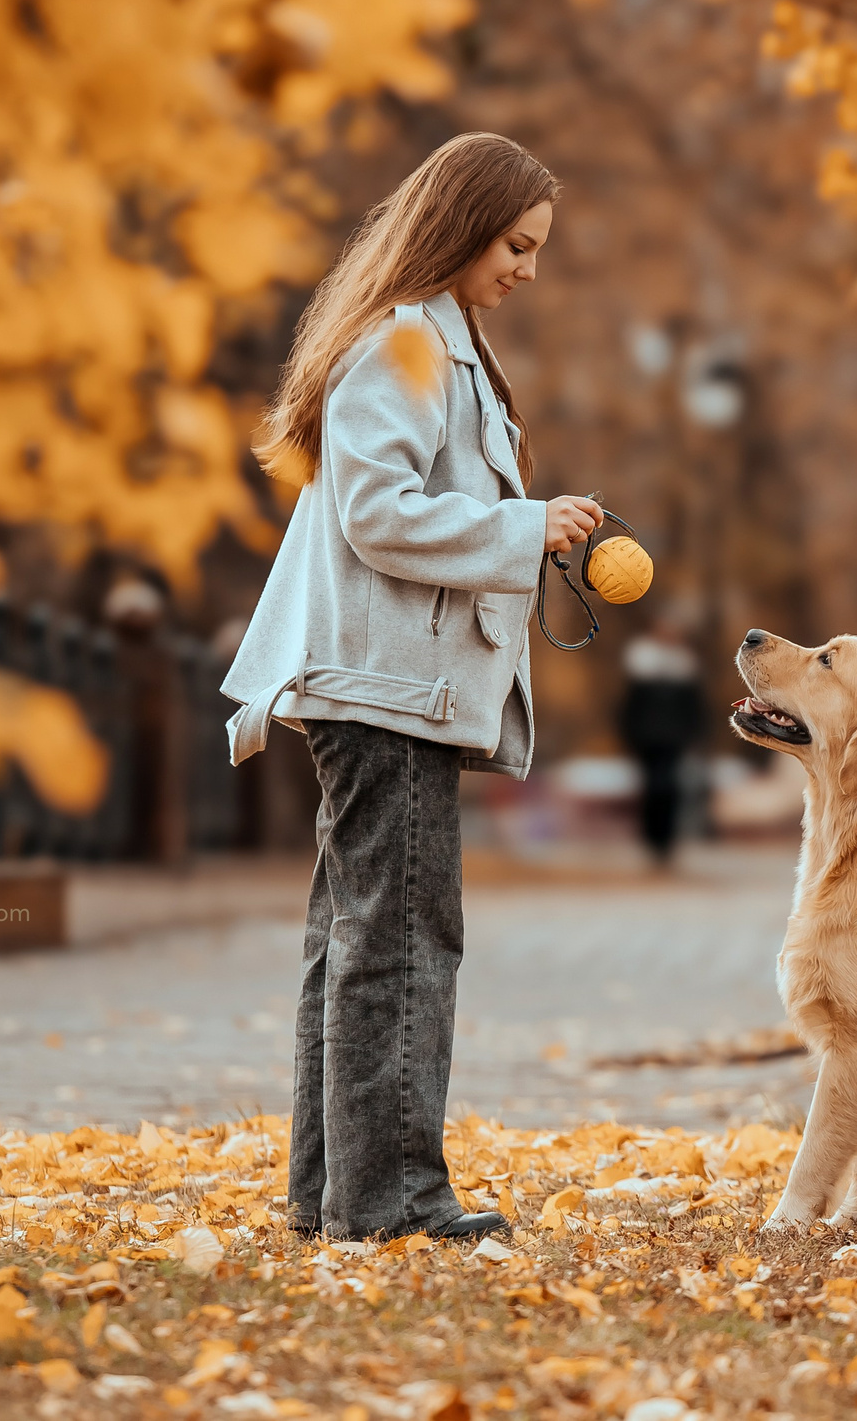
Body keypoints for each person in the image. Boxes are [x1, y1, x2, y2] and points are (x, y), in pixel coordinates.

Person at [218, 134, 600, 1243]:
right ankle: (388, 1203)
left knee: (354, 937)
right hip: (388, 693)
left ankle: (331, 1192)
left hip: (385, 687)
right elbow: (376, 514)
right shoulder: (406, 348)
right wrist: (527, 527)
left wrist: (524, 531)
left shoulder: (437, 344)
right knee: (401, 940)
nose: (527, 269)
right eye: (516, 245)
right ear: (463, 226)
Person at [618, 616, 704, 865]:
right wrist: (630, 734)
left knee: (669, 787)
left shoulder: (684, 666)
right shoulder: (641, 664)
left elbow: (693, 707)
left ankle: (665, 841)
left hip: (673, 738)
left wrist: (692, 733)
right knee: (652, 787)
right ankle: (653, 840)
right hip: (647, 737)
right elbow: (631, 706)